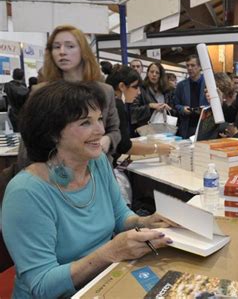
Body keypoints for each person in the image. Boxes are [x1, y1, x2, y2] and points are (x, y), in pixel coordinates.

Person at [1, 81, 174, 298]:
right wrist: (110, 252)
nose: (100, 130)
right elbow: (42, 285)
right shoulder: (26, 193)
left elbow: (120, 215)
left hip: (103, 282)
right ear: (53, 133)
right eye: (85, 122)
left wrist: (144, 222)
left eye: (99, 119)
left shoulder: (97, 162)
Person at [17, 24, 121, 168]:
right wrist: (26, 173)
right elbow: (28, 139)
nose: (62, 52)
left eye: (70, 46)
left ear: (83, 51)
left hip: (96, 170)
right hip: (54, 171)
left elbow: (114, 130)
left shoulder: (104, 91)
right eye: (56, 47)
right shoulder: (41, 93)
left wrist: (107, 140)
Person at [105, 66, 174, 164]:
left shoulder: (109, 101)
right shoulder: (116, 105)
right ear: (122, 86)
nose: (138, 92)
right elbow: (124, 146)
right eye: (135, 87)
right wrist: (157, 148)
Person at [130, 62, 174, 131]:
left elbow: (174, 110)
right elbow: (133, 111)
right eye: (152, 72)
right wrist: (150, 106)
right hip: (146, 129)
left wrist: (168, 108)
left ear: (161, 75)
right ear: (147, 73)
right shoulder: (141, 89)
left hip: (165, 128)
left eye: (157, 73)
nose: (154, 74)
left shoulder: (168, 91)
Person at [174, 54, 209, 139]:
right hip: (187, 125)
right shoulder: (181, 86)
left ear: (200, 67)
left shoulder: (208, 83)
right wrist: (182, 109)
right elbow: (176, 104)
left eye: (193, 65)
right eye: (187, 65)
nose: (189, 68)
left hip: (205, 125)